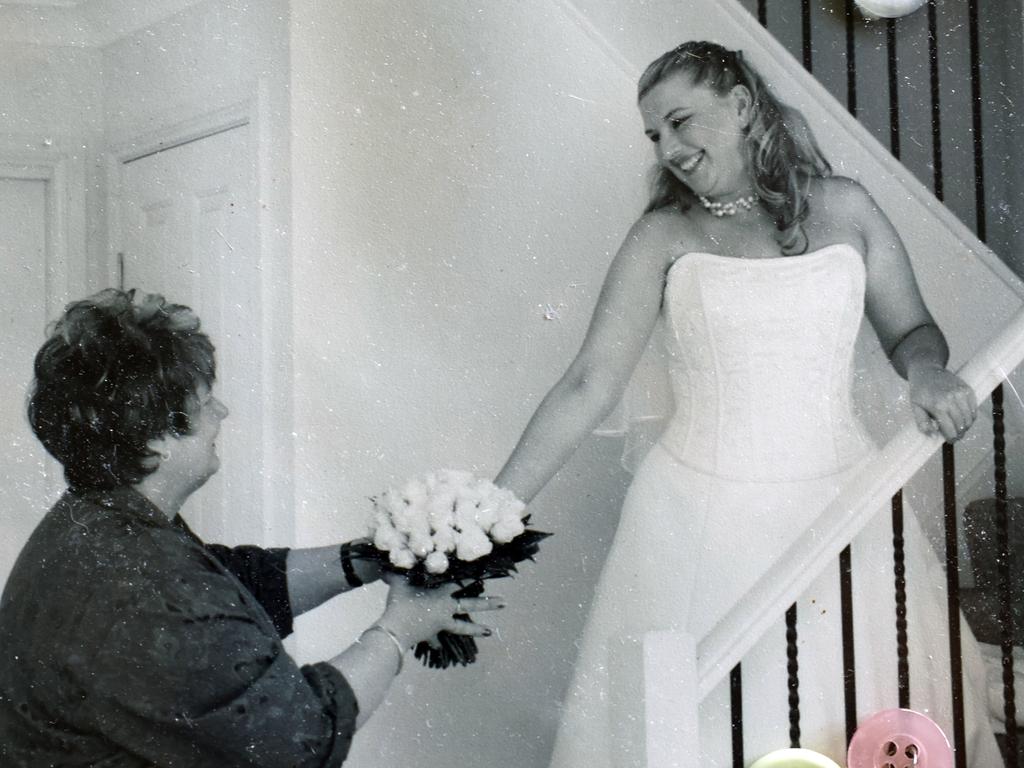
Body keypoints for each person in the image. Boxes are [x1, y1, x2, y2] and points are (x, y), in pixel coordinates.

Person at [493, 42, 1003, 766]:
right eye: (654, 135)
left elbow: (912, 329)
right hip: (695, 520)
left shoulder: (846, 206)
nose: (668, 148)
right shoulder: (661, 236)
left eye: (679, 122)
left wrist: (926, 372)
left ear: (740, 106)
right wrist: (492, 512)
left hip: (842, 503)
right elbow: (588, 383)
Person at [0, 288, 503, 767]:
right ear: (157, 441)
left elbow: (228, 588)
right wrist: (399, 628)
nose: (222, 412)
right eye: (205, 402)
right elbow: (299, 740)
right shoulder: (147, 585)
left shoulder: (98, 520)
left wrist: (372, 557)